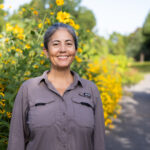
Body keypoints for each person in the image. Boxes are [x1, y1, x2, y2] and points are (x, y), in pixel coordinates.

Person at [7, 23, 105, 150]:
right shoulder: (28, 89)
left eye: (69, 44)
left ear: (75, 50)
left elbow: (99, 142)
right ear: (46, 52)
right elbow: (16, 141)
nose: (63, 49)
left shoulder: (90, 90)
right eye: (56, 44)